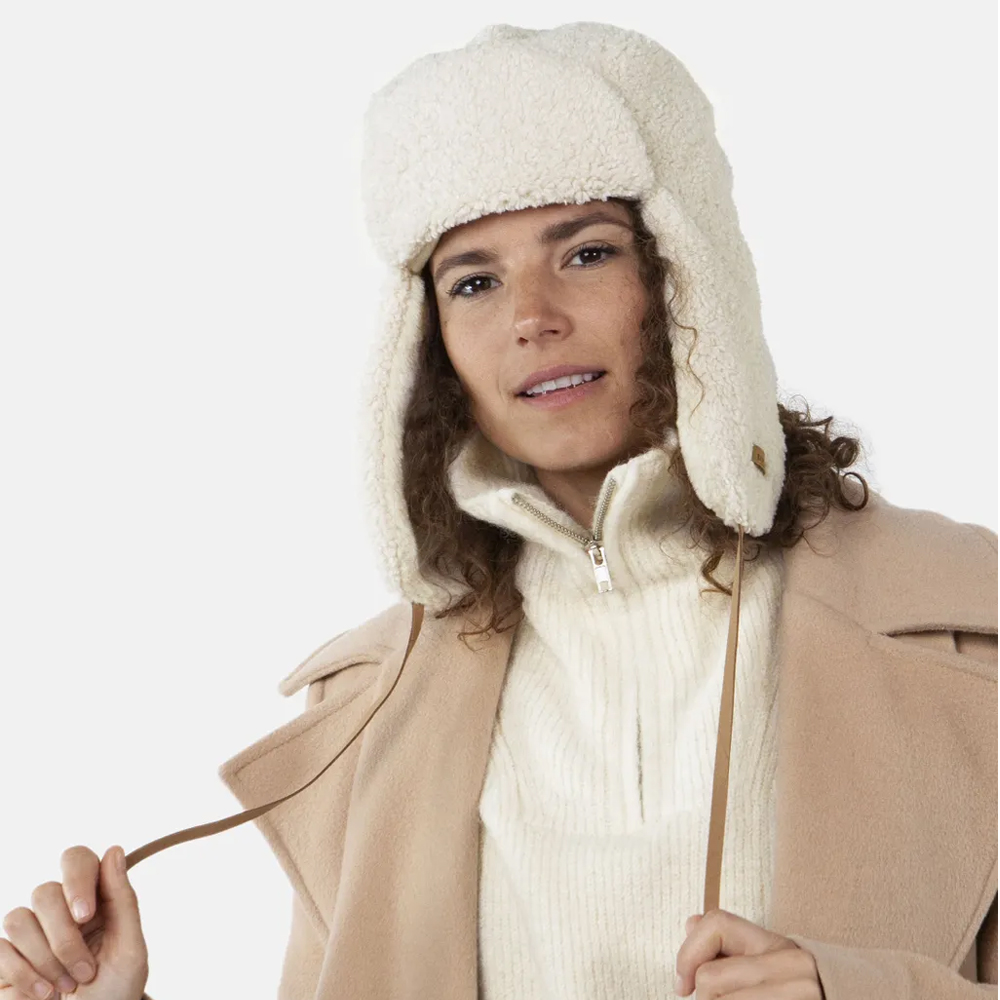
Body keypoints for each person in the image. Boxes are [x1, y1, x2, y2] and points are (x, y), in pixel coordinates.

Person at [1, 21, 996, 1000]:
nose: (531, 317)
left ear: (686, 277)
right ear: (426, 340)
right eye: (473, 281)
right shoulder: (371, 710)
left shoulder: (965, 618)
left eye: (587, 253)